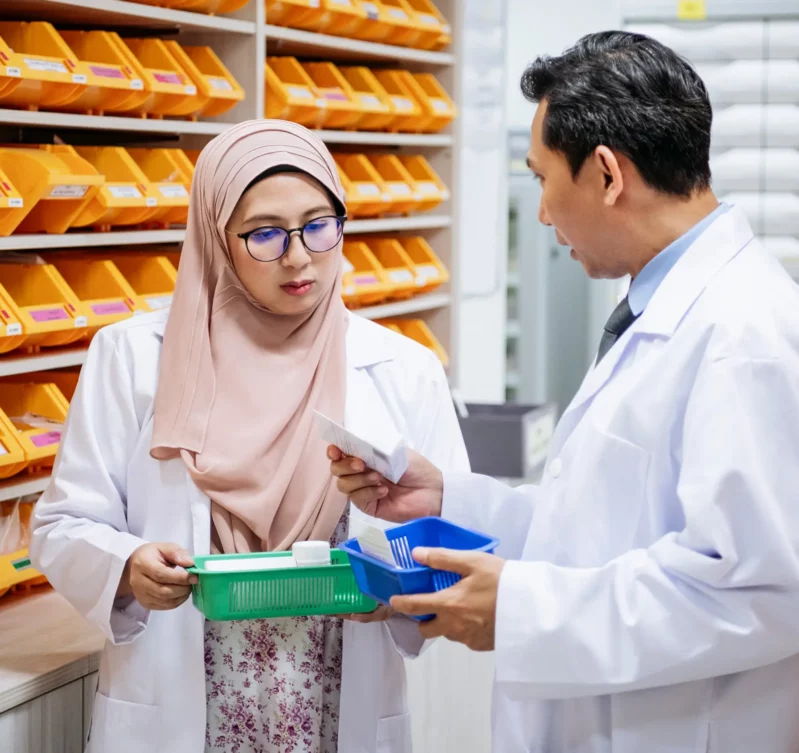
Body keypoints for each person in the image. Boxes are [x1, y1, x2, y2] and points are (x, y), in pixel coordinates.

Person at [329, 31, 799, 753]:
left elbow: (755, 593)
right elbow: (612, 523)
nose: (542, 214)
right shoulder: (663, 306)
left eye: (542, 178)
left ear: (606, 175)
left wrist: (520, 610)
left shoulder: (742, 335)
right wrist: (451, 501)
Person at [30, 120, 468, 753]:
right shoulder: (131, 358)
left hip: (335, 706)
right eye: (265, 234)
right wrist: (125, 567)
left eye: (320, 224)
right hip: (184, 709)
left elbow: (449, 547)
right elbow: (63, 523)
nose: (299, 257)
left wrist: (396, 593)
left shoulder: (404, 370)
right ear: (217, 239)